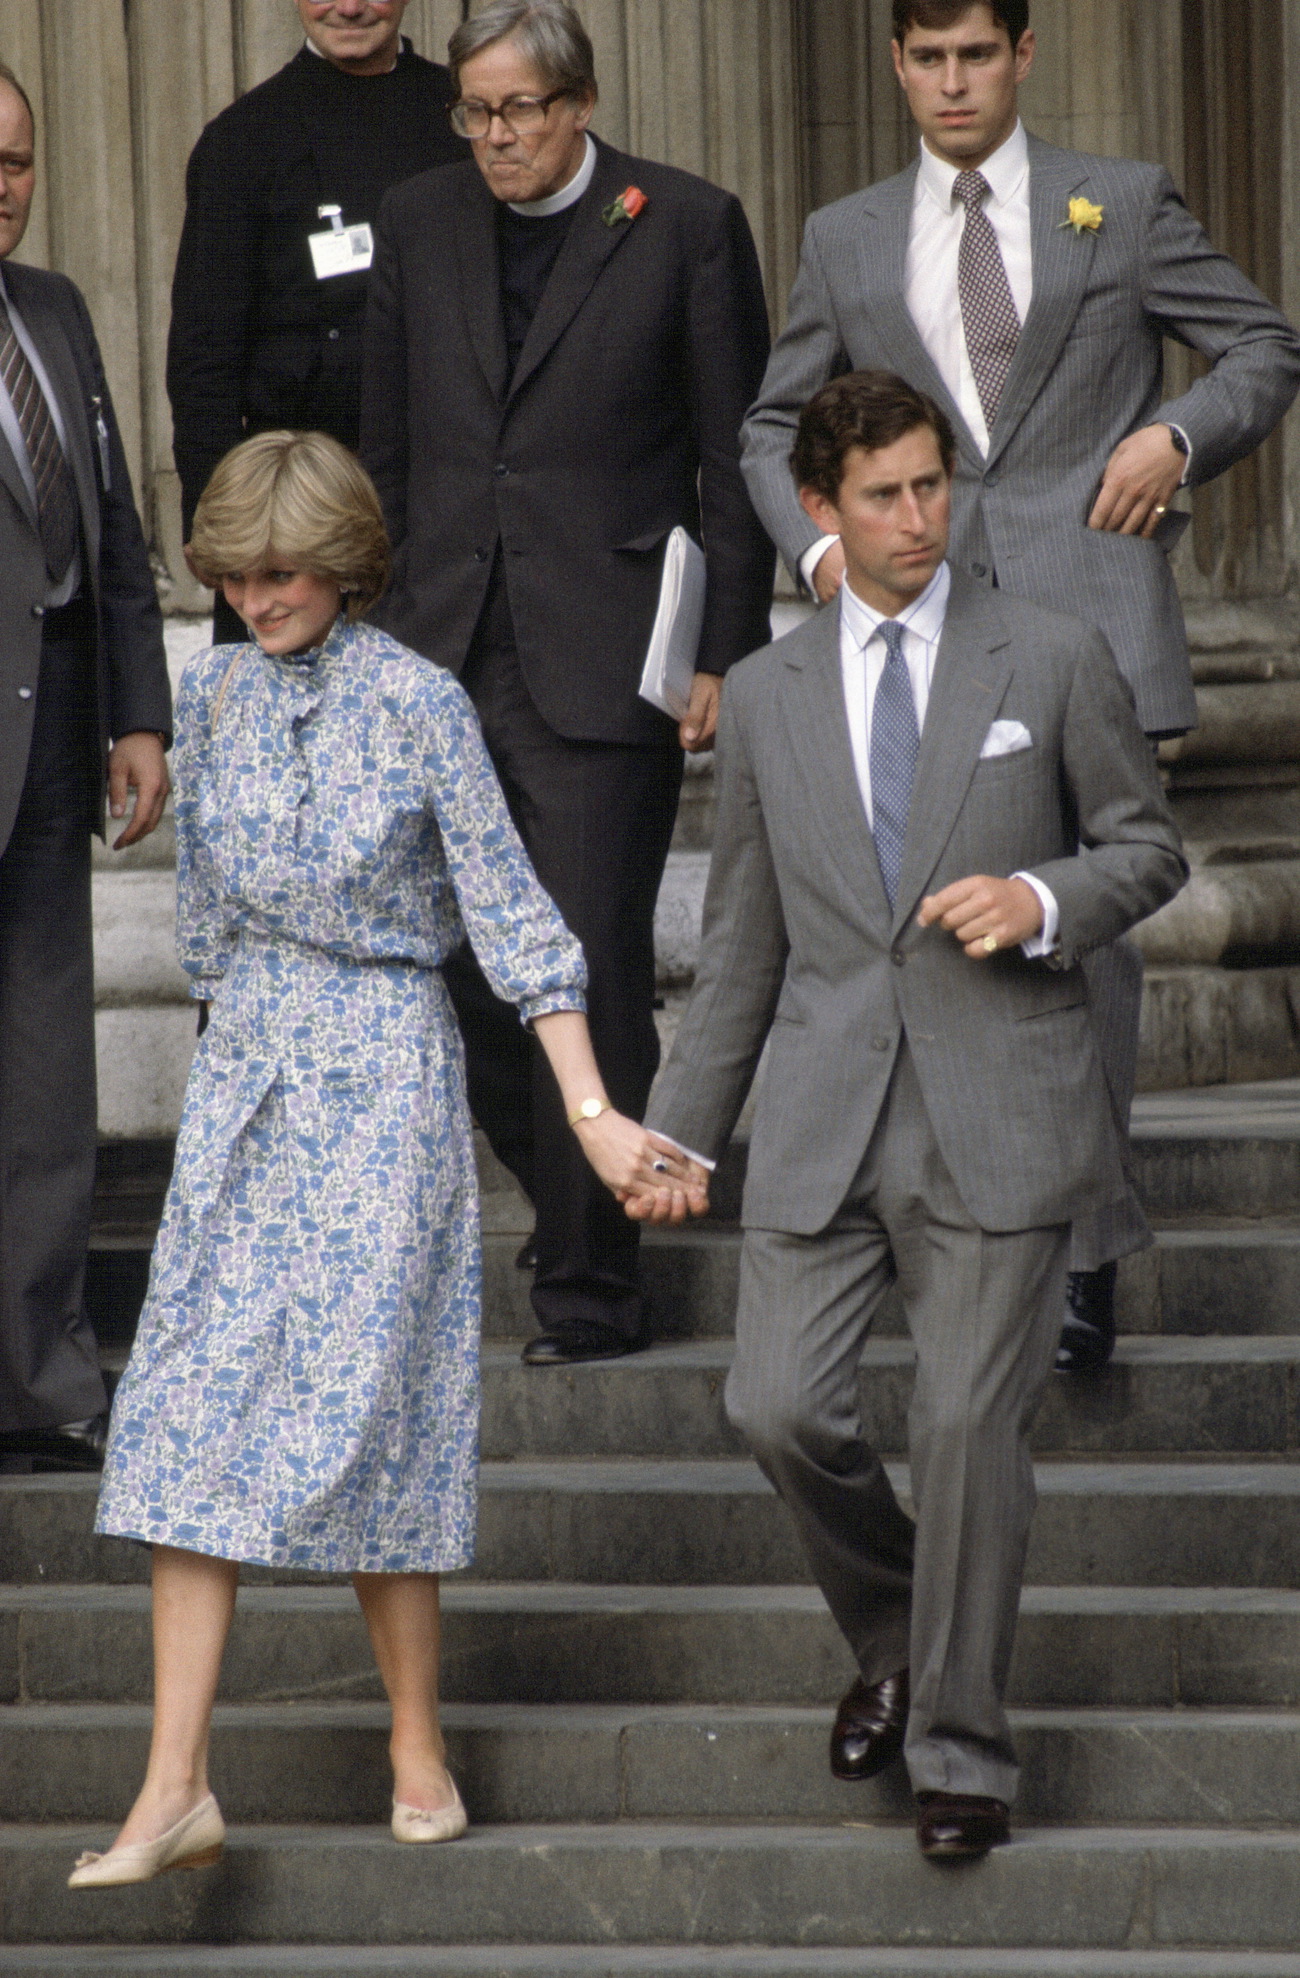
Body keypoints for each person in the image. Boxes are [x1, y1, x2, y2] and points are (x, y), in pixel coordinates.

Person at [77, 430, 678, 1890]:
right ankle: (171, 1786)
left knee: (377, 1406)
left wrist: (592, 1117)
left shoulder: (420, 706)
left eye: (279, 571)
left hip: (385, 1076)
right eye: (229, 572)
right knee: (179, 1408)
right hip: (246, 1075)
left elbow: (523, 928)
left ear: (345, 564)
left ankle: (417, 1741)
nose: (252, 595)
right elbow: (206, 915)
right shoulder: (207, 692)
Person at [633, 371, 1187, 1859]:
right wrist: (681, 1130)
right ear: (820, 509)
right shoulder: (763, 696)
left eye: (933, 484)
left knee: (962, 1424)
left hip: (1000, 1103)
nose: (918, 517)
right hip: (822, 1110)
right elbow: (744, 939)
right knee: (777, 1405)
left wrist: (1043, 895)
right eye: (883, 494)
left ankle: (962, 1752)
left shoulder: (1050, 653)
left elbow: (1147, 848)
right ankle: (898, 1628)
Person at [740, 0, 1300, 1372]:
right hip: (912, 629)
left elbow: (1265, 347)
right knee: (939, 935)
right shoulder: (846, 236)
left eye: (975, 55)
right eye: (926, 58)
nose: (951, 82)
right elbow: (769, 422)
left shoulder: (1123, 201)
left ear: (1023, 56)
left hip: (1087, 617)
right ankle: (957, 1222)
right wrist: (820, 551)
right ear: (896, 65)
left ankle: (1082, 1252)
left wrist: (1175, 432)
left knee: (1084, 947)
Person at [360, 0, 775, 1368]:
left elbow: (732, 459)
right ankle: (584, 1179)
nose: (494, 136)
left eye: (519, 110)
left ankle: (591, 1289)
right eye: (474, 112)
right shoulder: (416, 222)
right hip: (437, 648)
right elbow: (392, 451)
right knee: (446, 961)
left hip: (605, 665)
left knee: (586, 966)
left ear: (580, 102)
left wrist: (724, 648)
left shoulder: (687, 225)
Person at [0, 63, 172, 1476]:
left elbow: (111, 522)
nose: (0, 184)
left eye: (14, 160)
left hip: (52, 752)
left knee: (49, 1092)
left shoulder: (50, 309)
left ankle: (46, 1378)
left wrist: (141, 712)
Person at [167, 0, 465, 645]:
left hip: (450, 510)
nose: (351, 6)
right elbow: (203, 362)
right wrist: (216, 524)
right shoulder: (242, 141)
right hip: (295, 524)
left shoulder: (467, 115)